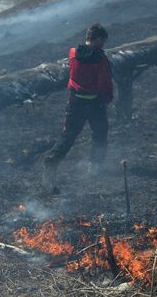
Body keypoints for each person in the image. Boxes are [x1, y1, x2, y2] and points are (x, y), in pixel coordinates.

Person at [42, 23, 113, 193]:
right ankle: (95, 166)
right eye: (102, 41)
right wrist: (108, 98)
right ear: (96, 39)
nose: (103, 44)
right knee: (100, 133)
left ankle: (53, 159)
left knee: (69, 135)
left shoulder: (73, 53)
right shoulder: (101, 60)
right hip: (95, 103)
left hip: (75, 102)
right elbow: (104, 83)